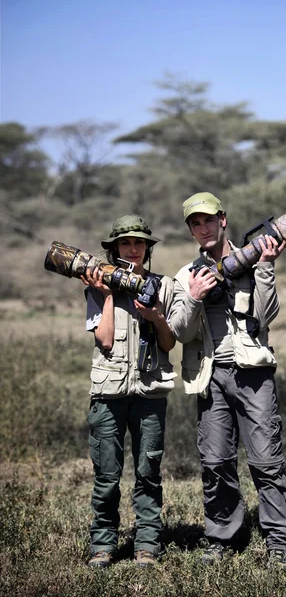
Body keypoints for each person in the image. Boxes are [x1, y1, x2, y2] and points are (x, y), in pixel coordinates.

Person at [169, 193, 286, 567]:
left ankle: (281, 540)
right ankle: (223, 539)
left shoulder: (252, 256)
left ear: (223, 219)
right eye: (195, 223)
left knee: (266, 460)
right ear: (191, 230)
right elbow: (180, 331)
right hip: (211, 377)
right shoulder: (185, 276)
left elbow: (266, 316)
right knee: (215, 462)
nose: (203, 228)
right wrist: (195, 297)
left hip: (253, 374)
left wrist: (265, 267)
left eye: (208, 220)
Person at [81, 214, 176, 569]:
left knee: (148, 472)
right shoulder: (97, 286)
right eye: (125, 243)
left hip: (150, 394)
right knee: (107, 475)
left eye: (139, 243)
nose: (133, 249)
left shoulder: (163, 287)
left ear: (147, 248)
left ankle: (147, 545)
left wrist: (157, 318)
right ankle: (103, 545)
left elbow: (169, 342)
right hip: (108, 395)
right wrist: (107, 298)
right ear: (114, 249)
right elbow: (104, 340)